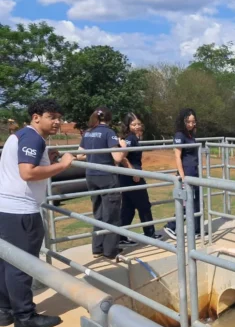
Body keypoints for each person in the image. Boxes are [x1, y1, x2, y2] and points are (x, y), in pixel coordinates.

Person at [0, 98, 75, 327]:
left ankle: (5, 311)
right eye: (52, 116)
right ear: (36, 117)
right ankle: (25, 316)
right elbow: (27, 172)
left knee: (6, 263)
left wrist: (48, 160)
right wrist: (63, 165)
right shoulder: (32, 137)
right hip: (22, 212)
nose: (57, 121)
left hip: (6, 209)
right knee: (21, 266)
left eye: (58, 117)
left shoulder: (22, 136)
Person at [78, 107, 128, 260]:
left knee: (98, 212)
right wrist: (124, 148)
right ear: (109, 118)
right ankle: (110, 250)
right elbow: (118, 158)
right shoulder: (108, 133)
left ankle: (97, 247)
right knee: (112, 213)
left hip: (91, 176)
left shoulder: (87, 132)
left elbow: (80, 155)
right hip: (106, 176)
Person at [119, 113, 163, 245]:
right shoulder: (130, 139)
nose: (137, 126)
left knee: (128, 208)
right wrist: (134, 173)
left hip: (126, 176)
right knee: (144, 205)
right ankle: (149, 234)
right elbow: (123, 156)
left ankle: (120, 236)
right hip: (132, 177)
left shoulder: (131, 138)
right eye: (134, 124)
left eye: (138, 123)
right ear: (128, 126)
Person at [163, 108, 202, 240]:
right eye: (188, 122)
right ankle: (171, 226)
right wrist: (182, 176)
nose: (191, 124)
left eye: (193, 122)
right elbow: (177, 156)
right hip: (186, 173)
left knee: (196, 202)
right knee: (186, 204)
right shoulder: (180, 135)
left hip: (194, 172)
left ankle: (197, 230)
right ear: (182, 121)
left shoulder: (191, 135)